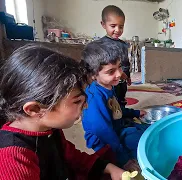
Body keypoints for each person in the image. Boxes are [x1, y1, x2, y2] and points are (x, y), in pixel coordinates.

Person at [0, 45, 125, 180]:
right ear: (34, 109)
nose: (86, 105)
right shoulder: (13, 159)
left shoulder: (49, 128)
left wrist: (108, 168)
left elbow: (70, 156)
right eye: (77, 101)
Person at [81, 39, 147, 172]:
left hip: (117, 127)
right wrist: (124, 159)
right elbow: (104, 132)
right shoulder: (94, 97)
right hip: (104, 141)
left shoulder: (108, 86)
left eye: (119, 67)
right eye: (111, 71)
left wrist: (134, 113)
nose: (119, 74)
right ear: (94, 75)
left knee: (149, 130)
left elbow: (115, 109)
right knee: (142, 146)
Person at [100, 5, 131, 106]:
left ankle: (122, 113)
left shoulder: (123, 45)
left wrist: (128, 76)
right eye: (113, 26)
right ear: (103, 24)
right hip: (109, 79)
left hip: (122, 80)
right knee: (109, 99)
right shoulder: (100, 44)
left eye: (121, 26)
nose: (118, 30)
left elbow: (126, 62)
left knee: (121, 97)